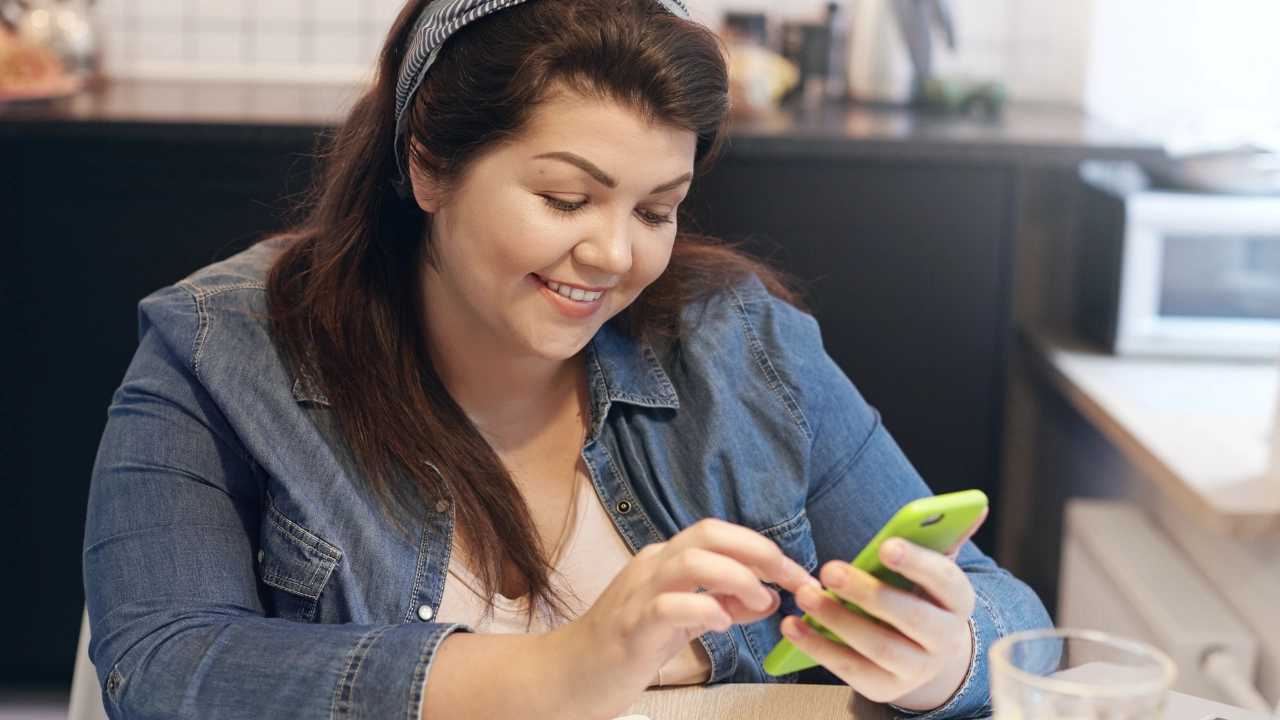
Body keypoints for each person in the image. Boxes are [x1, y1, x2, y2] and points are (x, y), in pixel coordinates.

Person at [83, 0, 1051, 718]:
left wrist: (943, 658)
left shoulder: (738, 344)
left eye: (654, 209)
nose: (613, 255)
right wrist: (567, 669)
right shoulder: (217, 352)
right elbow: (164, 668)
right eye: (563, 198)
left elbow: (1015, 621)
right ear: (426, 161)